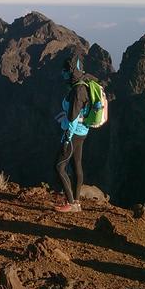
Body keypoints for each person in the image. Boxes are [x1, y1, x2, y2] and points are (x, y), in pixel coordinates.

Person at [53, 54, 91, 213]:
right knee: (76, 165)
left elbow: (73, 118)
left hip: (74, 133)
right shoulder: (85, 84)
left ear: (72, 71)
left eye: (65, 70)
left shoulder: (78, 91)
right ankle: (76, 202)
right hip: (83, 132)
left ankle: (72, 204)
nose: (63, 73)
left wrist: (67, 140)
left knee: (59, 167)